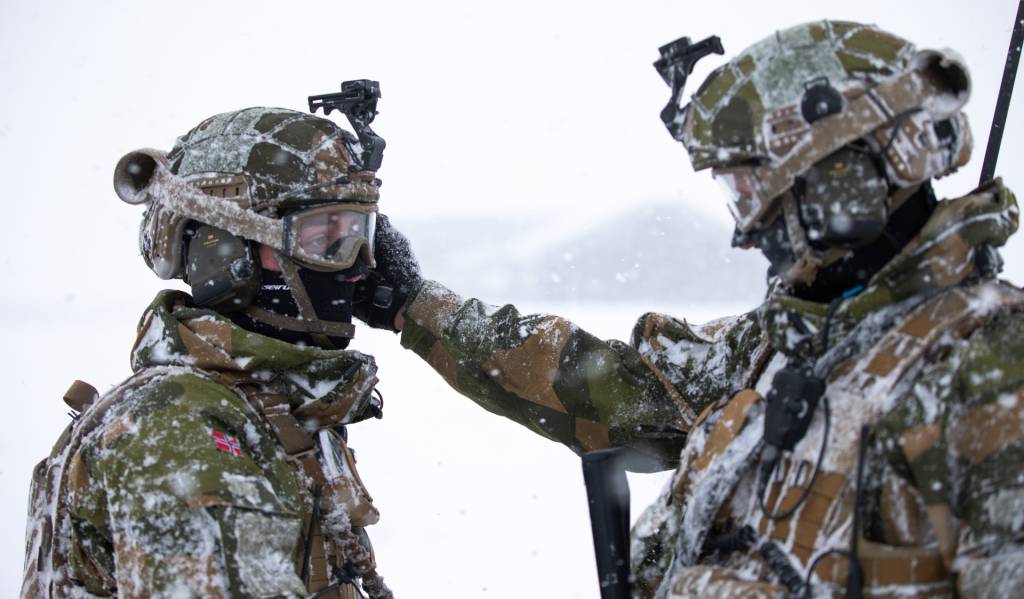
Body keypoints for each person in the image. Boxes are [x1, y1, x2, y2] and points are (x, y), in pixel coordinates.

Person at [364, 21, 1024, 597]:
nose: (746, 231)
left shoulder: (993, 374)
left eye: (748, 190)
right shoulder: (783, 343)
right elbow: (602, 387)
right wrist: (414, 306)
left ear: (841, 178)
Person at [22, 106, 410, 598]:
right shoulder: (181, 429)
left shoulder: (267, 404)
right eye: (324, 238)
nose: (357, 271)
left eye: (359, 236)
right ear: (226, 251)